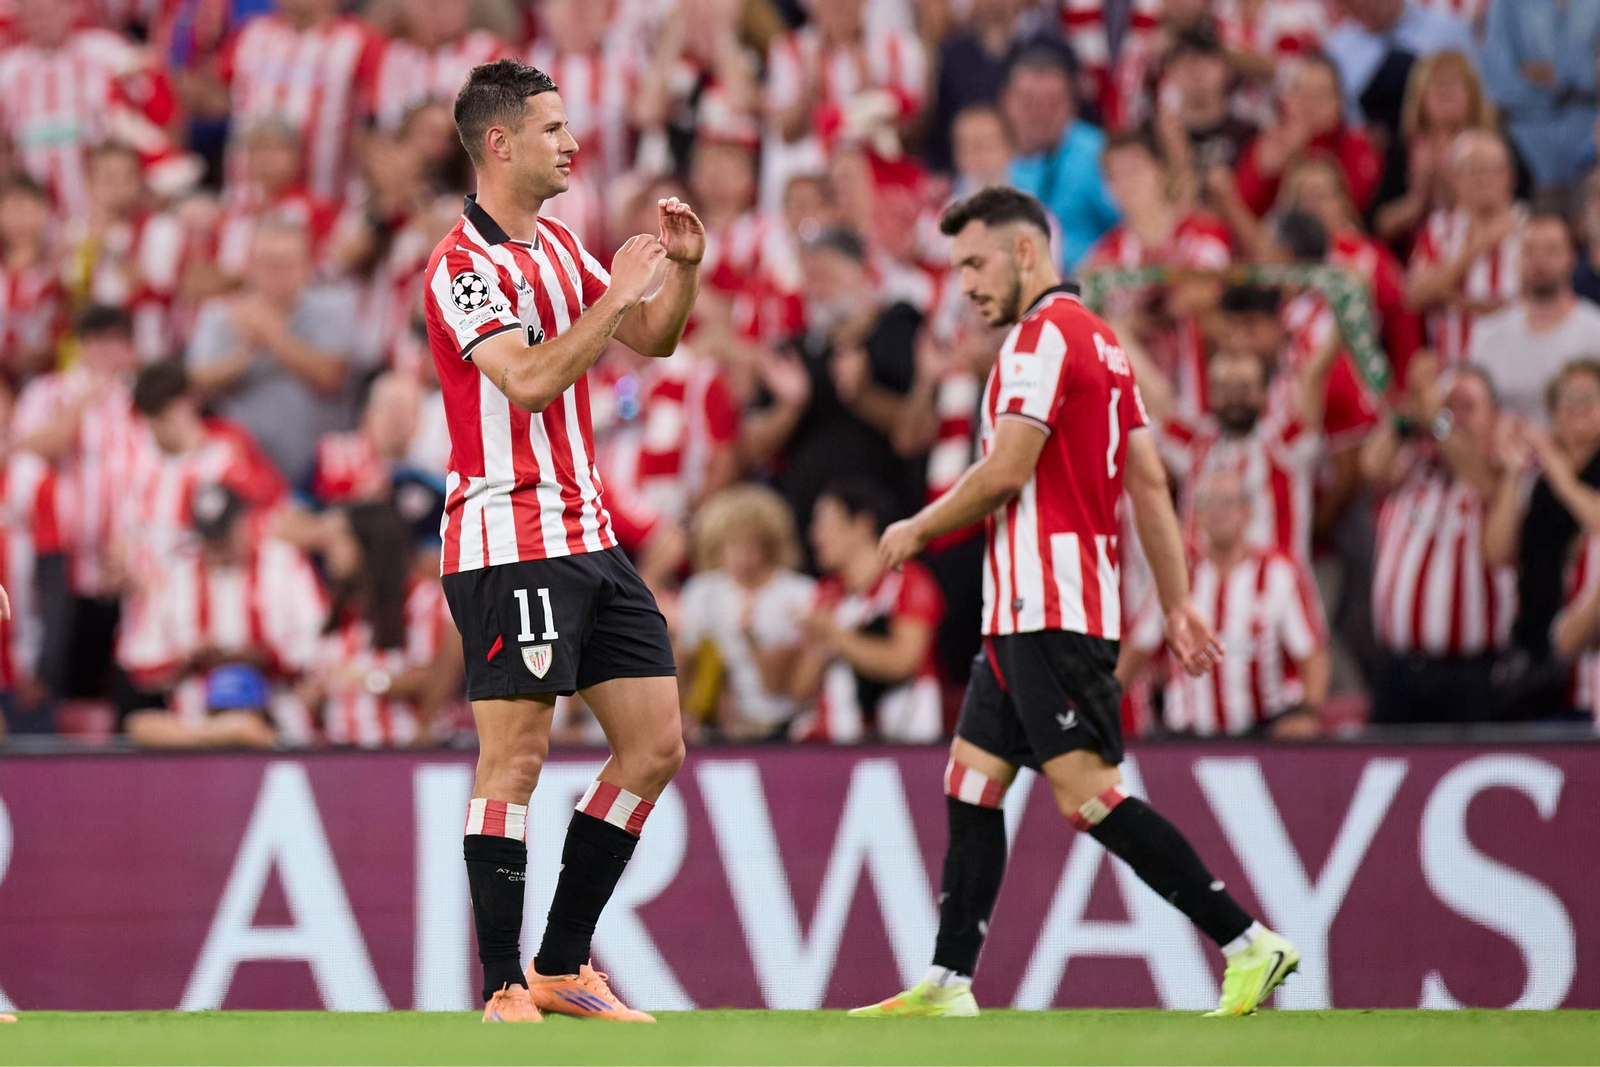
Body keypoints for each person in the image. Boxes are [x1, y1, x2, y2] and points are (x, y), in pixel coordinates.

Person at [853, 187, 1297, 1021]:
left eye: (976, 263)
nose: (967, 285)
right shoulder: (1102, 343)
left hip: (1048, 608)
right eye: (957, 269)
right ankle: (950, 982)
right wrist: (1177, 604)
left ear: (1026, 252)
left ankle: (1247, 941)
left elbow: (1009, 469)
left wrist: (919, 525)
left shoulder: (1039, 339)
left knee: (1088, 794)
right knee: (973, 779)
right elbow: (1150, 481)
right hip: (1031, 609)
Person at [424, 59, 703, 1024]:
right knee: (516, 760)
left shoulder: (556, 244)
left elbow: (652, 338)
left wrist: (681, 272)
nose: (571, 143)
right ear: (498, 144)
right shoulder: (461, 268)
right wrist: (616, 291)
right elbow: (534, 380)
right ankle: (502, 982)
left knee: (656, 743)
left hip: (588, 532)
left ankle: (561, 961)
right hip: (508, 535)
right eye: (552, 129)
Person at [1120, 468, 1329, 738]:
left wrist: (1308, 714)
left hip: (1263, 731)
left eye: (1228, 502)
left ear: (1248, 512)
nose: (1219, 512)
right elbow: (1138, 648)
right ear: (1198, 514)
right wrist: (1098, 704)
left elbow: (1312, 652)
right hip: (1188, 735)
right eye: (1208, 503)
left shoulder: (1279, 574)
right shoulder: (1178, 577)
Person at [117, 483, 325, 747]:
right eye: (210, 539)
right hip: (196, 725)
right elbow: (141, 665)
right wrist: (185, 660)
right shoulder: (176, 576)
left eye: (224, 536)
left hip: (280, 716)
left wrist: (264, 658)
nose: (217, 548)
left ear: (243, 522)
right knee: (142, 726)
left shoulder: (285, 565)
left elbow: (319, 649)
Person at [1364, 364, 1512, 723]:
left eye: (1466, 406)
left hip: (1470, 674)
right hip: (1398, 669)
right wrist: (1405, 417)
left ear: (1493, 415)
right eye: (1448, 405)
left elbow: (1483, 480)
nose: (1453, 416)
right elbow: (1372, 467)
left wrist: (1437, 420)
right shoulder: (1412, 468)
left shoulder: (1499, 473)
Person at [186, 219, 370, 483]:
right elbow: (196, 383)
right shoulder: (221, 314)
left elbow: (332, 377)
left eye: (285, 265)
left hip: (319, 475)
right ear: (250, 266)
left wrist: (271, 335)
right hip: (243, 473)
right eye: (267, 264)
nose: (275, 274)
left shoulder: (335, 308)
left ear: (307, 266)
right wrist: (241, 358)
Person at [789, 479, 946, 744]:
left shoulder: (908, 581)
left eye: (824, 524)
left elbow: (904, 662)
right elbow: (799, 690)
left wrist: (835, 637)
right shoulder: (826, 593)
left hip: (906, 740)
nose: (815, 536)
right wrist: (819, 647)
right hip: (833, 745)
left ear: (861, 525)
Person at [302, 502, 459, 747]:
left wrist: (368, 679)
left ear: (367, 544)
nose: (329, 550)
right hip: (338, 753)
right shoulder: (344, 608)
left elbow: (435, 676)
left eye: (339, 541)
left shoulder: (421, 600)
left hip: (403, 752)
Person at [675, 484, 814, 740]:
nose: (742, 556)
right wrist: (681, 716)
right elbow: (684, 662)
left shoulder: (798, 593)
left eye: (751, 545)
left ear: (769, 545)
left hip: (791, 721)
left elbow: (787, 683)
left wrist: (751, 636)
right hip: (723, 723)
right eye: (732, 544)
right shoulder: (703, 592)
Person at [1406, 130, 1526, 367]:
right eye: (1471, 170)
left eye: (1491, 169)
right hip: (1453, 367)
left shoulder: (1530, 226)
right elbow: (1415, 296)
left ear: (1509, 177)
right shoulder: (1438, 229)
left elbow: (1541, 296)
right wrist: (1474, 249)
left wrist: (1464, 302)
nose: (1482, 179)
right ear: (1454, 180)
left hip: (1518, 363)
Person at [1469, 211, 1600, 425]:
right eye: (1529, 250)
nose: (1539, 260)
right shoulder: (1487, 334)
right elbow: (1468, 416)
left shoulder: (1596, 332)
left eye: (1551, 250)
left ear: (1572, 257)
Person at [1003, 43, 1120, 270]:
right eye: (1029, 102)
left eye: (1052, 103)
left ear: (1072, 105)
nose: (1040, 113)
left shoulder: (1098, 154)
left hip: (1086, 288)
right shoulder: (990, 152)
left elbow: (1134, 227)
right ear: (1007, 102)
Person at [1478, 0, 1600, 191]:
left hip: (1589, 148)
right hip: (1527, 151)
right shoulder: (1508, 5)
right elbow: (1499, 83)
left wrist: (1559, 77)